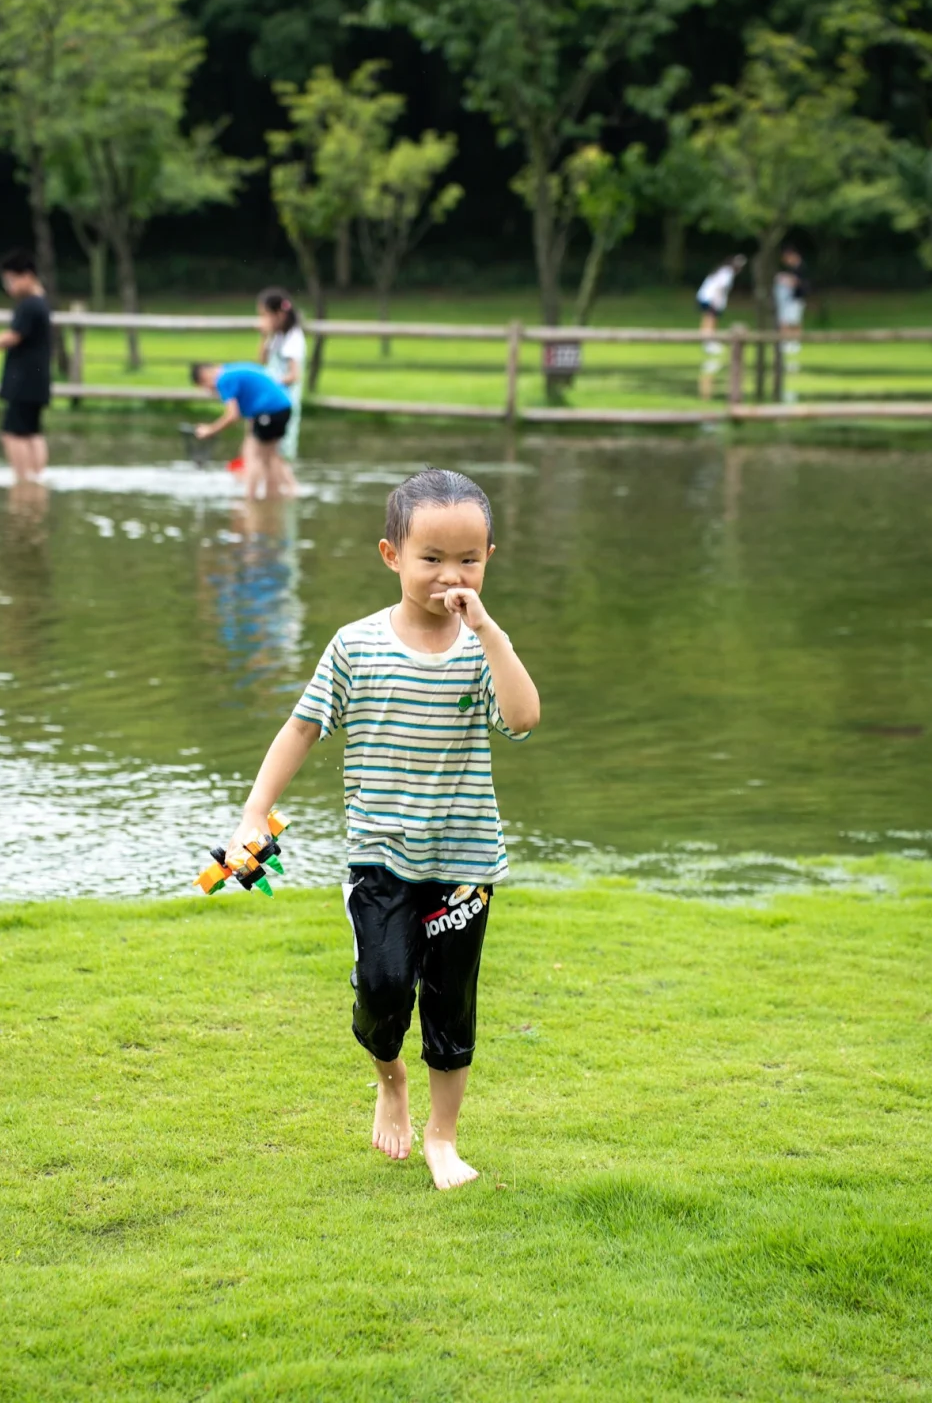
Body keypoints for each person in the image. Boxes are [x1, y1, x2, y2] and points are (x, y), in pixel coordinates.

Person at [225, 468, 540, 1190]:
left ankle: (442, 1136)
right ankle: (389, 1080)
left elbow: (522, 720)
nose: (449, 575)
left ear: (490, 555)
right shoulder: (355, 646)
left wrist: (488, 629)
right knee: (383, 989)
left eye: (468, 559)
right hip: (380, 858)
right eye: (431, 558)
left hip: (464, 864)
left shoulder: (483, 649)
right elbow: (302, 729)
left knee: (450, 1007)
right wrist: (252, 813)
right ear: (392, 555)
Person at [0, 248, 52, 484]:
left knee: (13, 433)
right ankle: (37, 479)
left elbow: (13, 336)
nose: (8, 287)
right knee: (32, 432)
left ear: (27, 276)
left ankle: (23, 482)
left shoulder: (29, 305)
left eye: (11, 280)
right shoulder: (42, 303)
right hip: (37, 379)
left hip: (23, 380)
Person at [190, 362, 292, 501]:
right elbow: (252, 400)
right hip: (282, 407)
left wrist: (210, 430)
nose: (210, 390)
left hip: (270, 410)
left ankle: (250, 499)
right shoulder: (231, 370)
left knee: (253, 456)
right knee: (270, 456)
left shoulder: (223, 380)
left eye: (205, 386)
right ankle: (284, 493)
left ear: (204, 374)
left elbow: (232, 415)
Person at [258, 288, 306, 497]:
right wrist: (265, 336)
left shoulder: (294, 338)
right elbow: (262, 360)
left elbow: (294, 375)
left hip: (284, 401)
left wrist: (270, 383)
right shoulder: (276, 337)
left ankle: (291, 491)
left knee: (278, 452)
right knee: (269, 451)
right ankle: (275, 492)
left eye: (265, 315)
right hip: (270, 400)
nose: (263, 320)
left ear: (279, 314)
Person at [696, 254, 748, 342]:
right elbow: (719, 288)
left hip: (705, 296)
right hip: (711, 298)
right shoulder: (727, 273)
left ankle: (705, 339)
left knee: (708, 317)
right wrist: (716, 302)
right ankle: (708, 340)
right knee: (711, 319)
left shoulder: (723, 270)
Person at [774, 245, 808, 345]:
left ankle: (795, 342)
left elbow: (799, 282)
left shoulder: (801, 268)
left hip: (796, 298)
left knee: (795, 321)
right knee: (785, 320)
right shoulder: (792, 269)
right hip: (788, 299)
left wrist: (787, 280)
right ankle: (786, 342)